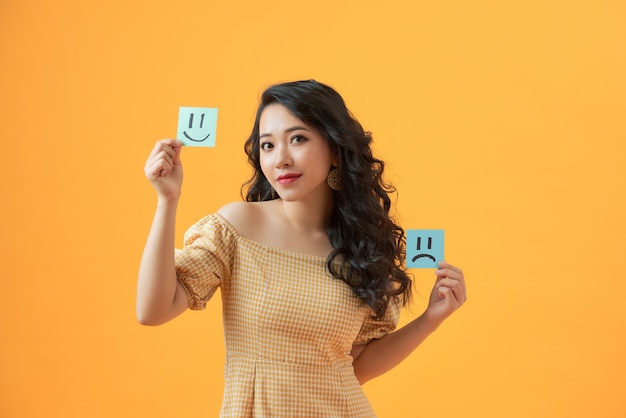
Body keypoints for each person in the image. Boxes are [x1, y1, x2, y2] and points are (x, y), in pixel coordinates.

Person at [137, 80, 467, 417]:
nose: (280, 159)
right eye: (267, 145)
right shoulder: (238, 227)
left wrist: (430, 320)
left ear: (335, 151)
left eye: (298, 139)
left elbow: (357, 366)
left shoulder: (361, 248)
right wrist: (167, 201)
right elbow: (153, 311)